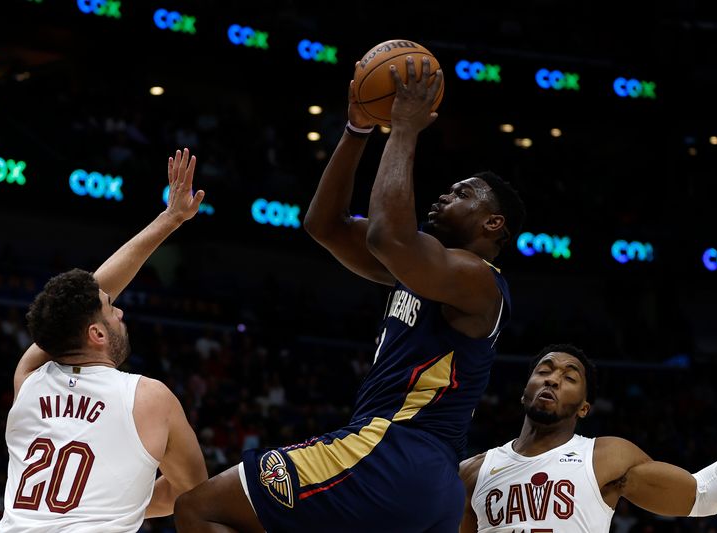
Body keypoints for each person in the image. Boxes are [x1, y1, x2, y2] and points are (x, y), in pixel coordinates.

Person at [173, 57, 525, 532]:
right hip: (424, 482)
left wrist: (403, 129)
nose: (444, 196)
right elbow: (325, 225)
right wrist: (357, 129)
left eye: (462, 194)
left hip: (391, 451)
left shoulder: (478, 278)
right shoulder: (424, 269)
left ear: (493, 224)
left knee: (199, 508)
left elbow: (387, 237)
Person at [0, 149, 209, 532]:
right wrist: (170, 219)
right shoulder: (150, 397)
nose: (121, 312)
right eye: (112, 309)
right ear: (96, 334)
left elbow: (85, 299)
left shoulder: (28, 380)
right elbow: (194, 494)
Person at [459, 343, 717, 532]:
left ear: (584, 408)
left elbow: (703, 495)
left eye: (570, 377)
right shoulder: (472, 472)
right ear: (524, 391)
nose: (552, 380)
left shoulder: (606, 457)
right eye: (544, 371)